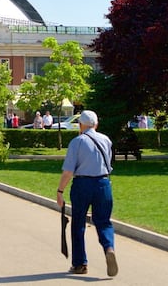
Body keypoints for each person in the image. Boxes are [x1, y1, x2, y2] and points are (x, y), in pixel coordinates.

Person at [56, 110, 117, 277]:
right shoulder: (106, 140)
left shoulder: (77, 142)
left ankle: (80, 263)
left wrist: (60, 191)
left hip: (82, 184)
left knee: (78, 223)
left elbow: (68, 171)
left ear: (80, 125)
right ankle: (109, 247)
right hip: (103, 183)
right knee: (104, 222)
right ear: (96, 124)